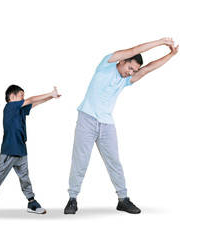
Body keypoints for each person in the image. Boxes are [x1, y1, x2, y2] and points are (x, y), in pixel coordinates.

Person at [64, 38, 179, 214]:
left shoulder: (126, 80)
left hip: (107, 124)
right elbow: (134, 49)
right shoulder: (106, 63)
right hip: (87, 119)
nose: (130, 72)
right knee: (80, 161)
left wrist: (171, 54)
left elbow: (149, 68)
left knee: (114, 163)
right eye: (129, 68)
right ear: (122, 61)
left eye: (134, 71)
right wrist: (161, 42)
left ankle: (123, 199)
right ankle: (72, 199)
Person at [0, 85, 61, 217]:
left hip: (21, 151)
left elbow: (36, 102)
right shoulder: (10, 107)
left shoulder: (19, 109)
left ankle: (31, 202)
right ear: (12, 97)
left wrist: (50, 97)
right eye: (21, 95)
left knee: (25, 178)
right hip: (9, 151)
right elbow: (31, 99)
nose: (23, 98)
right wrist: (49, 92)